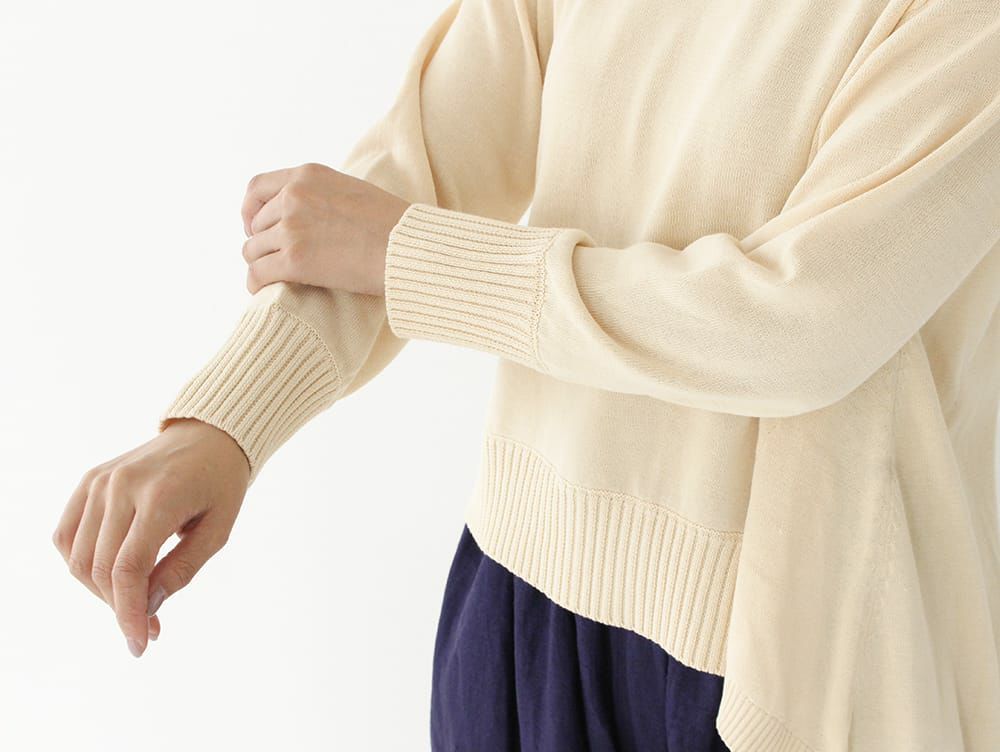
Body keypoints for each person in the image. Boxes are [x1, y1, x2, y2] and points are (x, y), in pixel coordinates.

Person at [53, 0, 1000, 750]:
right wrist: (223, 428)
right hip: (517, 591)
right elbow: (410, 180)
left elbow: (795, 327)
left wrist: (411, 258)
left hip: (786, 661)